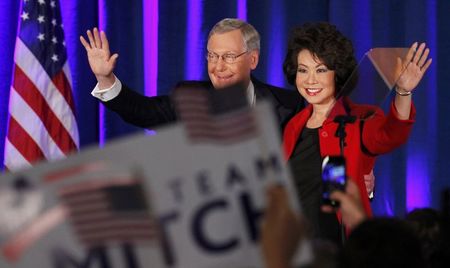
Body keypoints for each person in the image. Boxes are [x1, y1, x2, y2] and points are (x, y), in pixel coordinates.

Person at [282, 22, 432, 243]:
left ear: (338, 73)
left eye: (321, 70)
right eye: (303, 70)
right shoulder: (294, 125)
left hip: (340, 246)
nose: (310, 80)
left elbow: (392, 134)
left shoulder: (357, 119)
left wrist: (403, 91)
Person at [79, 18, 303, 131]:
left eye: (229, 56)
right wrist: (105, 78)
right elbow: (141, 111)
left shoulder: (289, 105)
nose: (218, 66)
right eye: (212, 56)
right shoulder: (189, 98)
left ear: (252, 59)